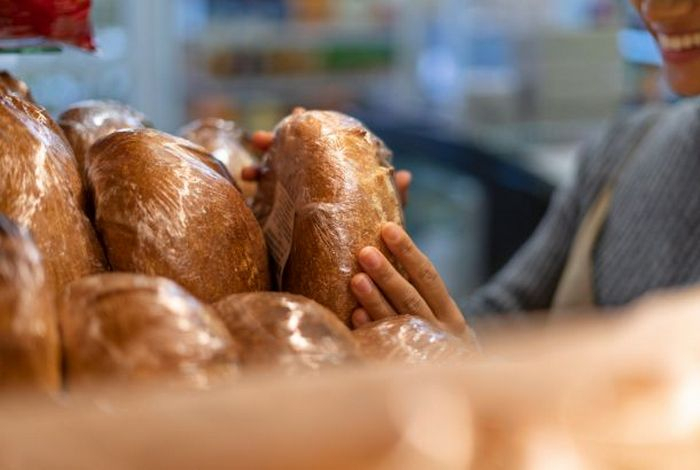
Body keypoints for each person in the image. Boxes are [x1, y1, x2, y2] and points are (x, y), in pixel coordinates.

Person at [246, 0, 700, 339]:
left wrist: (455, 353)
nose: (658, 9)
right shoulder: (623, 151)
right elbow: (505, 317)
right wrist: (360, 265)